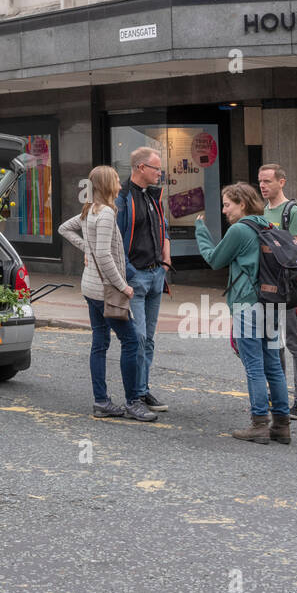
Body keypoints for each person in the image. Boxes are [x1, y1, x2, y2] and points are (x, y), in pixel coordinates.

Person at [195, 183, 291, 445]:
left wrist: (201, 232)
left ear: (242, 204)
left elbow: (215, 259)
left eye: (228, 204)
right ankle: (282, 426)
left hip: (248, 305)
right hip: (272, 304)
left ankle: (259, 424)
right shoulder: (267, 225)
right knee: (273, 365)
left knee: (254, 367)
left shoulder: (240, 229)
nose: (225, 210)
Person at [59, 165, 157, 421]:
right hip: (105, 291)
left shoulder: (89, 209)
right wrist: (122, 285)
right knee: (132, 341)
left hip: (90, 288)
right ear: (106, 185)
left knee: (100, 343)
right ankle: (133, 401)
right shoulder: (105, 214)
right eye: (116, 180)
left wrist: (86, 250)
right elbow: (103, 255)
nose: (120, 185)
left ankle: (101, 401)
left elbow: (64, 229)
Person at [116, 147, 171, 412]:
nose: (159, 173)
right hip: (135, 275)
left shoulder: (153, 197)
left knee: (149, 338)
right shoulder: (123, 197)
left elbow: (164, 228)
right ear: (140, 168)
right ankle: (135, 395)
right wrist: (128, 271)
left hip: (156, 273)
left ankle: (143, 389)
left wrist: (166, 261)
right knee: (137, 338)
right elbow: (116, 238)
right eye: (155, 168)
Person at [258, 163, 297, 419]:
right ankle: (276, 393)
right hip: (268, 287)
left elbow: (296, 252)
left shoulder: (292, 212)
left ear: (282, 182)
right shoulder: (261, 212)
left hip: (289, 288)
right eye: (260, 182)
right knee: (272, 343)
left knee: (293, 342)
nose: (263, 186)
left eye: (267, 181)